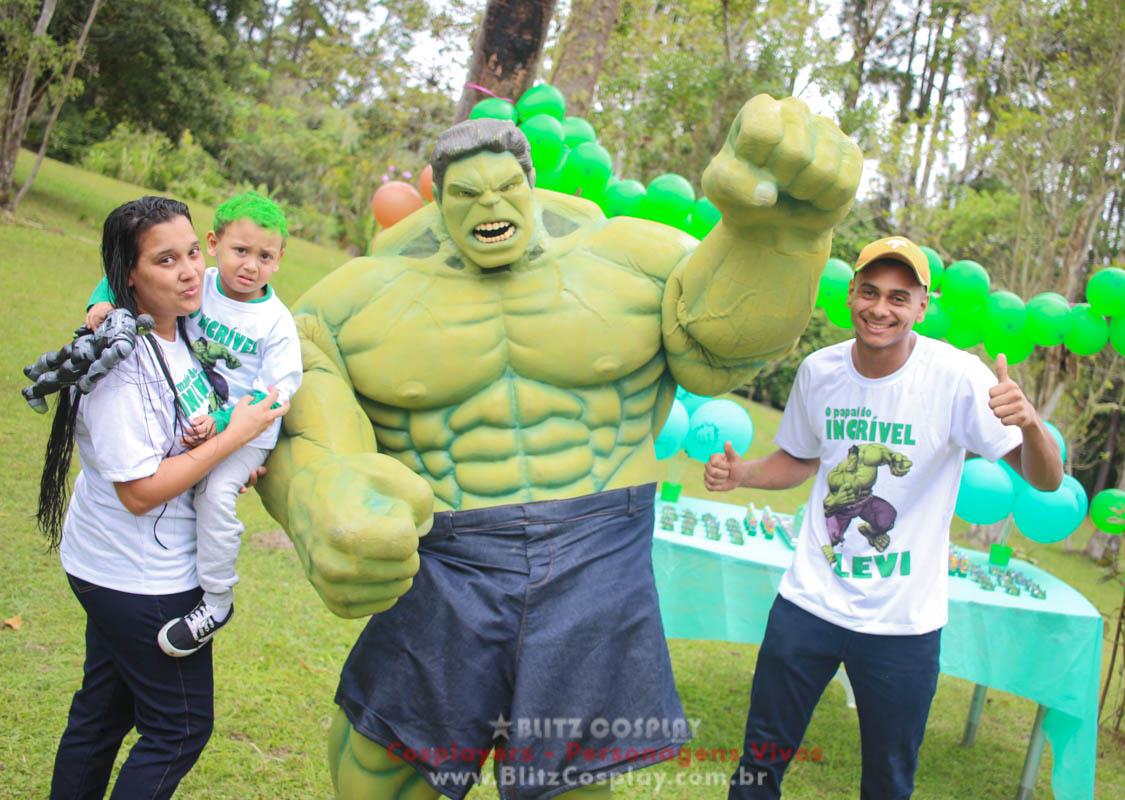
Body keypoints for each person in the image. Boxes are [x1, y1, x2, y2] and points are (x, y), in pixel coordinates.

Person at [256, 97, 864, 798]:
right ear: (440, 199)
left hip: (596, 551)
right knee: (386, 766)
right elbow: (307, 434)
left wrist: (779, 240)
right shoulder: (351, 305)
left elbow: (718, 353)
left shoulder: (636, 262)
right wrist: (313, 501)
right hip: (446, 553)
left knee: (568, 782)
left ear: (531, 183)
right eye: (466, 193)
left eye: (505, 187)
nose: (491, 204)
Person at [705, 235, 1063, 799]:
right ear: (850, 294)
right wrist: (742, 474)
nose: (881, 308)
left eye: (899, 297)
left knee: (889, 782)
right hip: (809, 601)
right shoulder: (819, 372)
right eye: (870, 292)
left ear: (922, 307)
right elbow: (800, 458)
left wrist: (1033, 425)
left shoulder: (955, 377)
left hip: (903, 622)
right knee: (760, 760)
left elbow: (1046, 479)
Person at [36, 196, 288, 798]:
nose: (189, 271)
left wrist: (229, 449)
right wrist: (235, 437)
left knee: (101, 714)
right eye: (165, 260)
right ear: (129, 275)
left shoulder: (178, 333)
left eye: (193, 253)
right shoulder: (123, 367)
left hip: (113, 564)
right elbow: (140, 492)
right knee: (179, 729)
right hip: (139, 577)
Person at [85, 191, 302, 656]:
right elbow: (124, 277)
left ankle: (218, 598)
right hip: (200, 417)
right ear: (215, 243)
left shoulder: (277, 324)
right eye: (240, 251)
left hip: (246, 425)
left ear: (280, 260)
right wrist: (98, 305)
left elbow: (273, 394)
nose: (250, 266)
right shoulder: (197, 283)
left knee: (216, 492)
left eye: (265, 256)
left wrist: (227, 429)